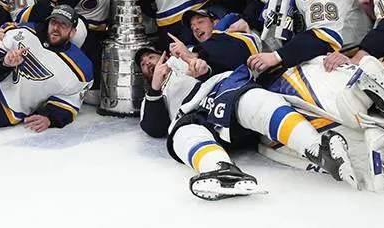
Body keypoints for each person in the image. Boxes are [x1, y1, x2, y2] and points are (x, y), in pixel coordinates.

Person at [137, 47, 356, 200]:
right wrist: (156, 86)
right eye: (144, 65)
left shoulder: (184, 56)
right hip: (190, 114)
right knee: (184, 135)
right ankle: (220, 171)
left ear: (161, 54)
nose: (148, 63)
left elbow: (227, 58)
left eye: (150, 57)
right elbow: (153, 127)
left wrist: (202, 67)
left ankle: (317, 148)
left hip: (217, 90)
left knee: (253, 101)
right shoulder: (154, 93)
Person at [0, 5, 93, 130]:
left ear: (72, 32)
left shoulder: (81, 68)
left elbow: (68, 101)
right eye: (54, 22)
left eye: (63, 25)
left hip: (1, 110)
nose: (56, 28)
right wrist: (4, 63)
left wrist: (49, 118)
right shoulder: (24, 31)